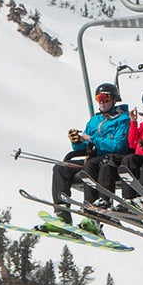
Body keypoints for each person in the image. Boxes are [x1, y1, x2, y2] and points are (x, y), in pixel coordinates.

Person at [48, 82, 130, 231]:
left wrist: (92, 139)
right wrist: (77, 141)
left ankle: (92, 214)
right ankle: (62, 213)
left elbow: (118, 145)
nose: (101, 102)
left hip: (111, 160)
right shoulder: (94, 121)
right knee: (61, 168)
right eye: (99, 98)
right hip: (93, 158)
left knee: (90, 166)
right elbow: (83, 146)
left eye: (105, 98)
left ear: (114, 100)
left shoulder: (123, 120)